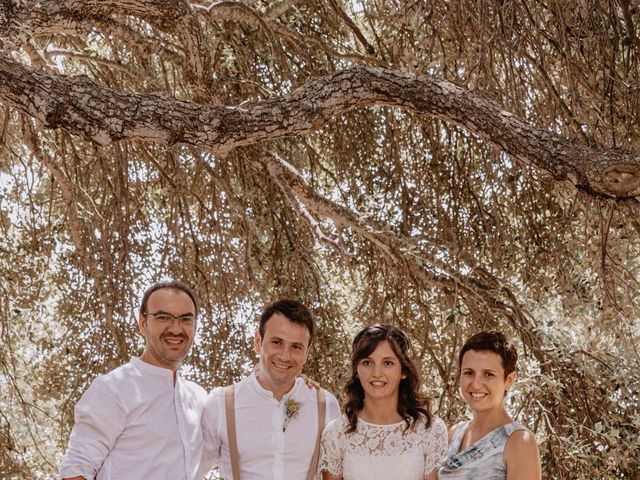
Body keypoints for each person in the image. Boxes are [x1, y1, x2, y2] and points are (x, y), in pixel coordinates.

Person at [58, 280, 207, 480]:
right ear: (143, 323)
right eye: (163, 317)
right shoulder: (113, 389)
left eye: (186, 319)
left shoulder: (199, 398)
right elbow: (76, 470)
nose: (176, 328)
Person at [197, 299, 341, 480]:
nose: (285, 356)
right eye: (277, 342)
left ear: (307, 353)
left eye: (296, 347)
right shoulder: (220, 404)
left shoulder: (326, 405)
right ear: (258, 341)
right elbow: (192, 471)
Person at [320, 324, 448, 480]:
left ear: (404, 371)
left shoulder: (430, 430)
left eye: (388, 363)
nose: (376, 373)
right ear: (356, 370)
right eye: (367, 362)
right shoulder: (336, 433)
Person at [439, 331, 541, 480]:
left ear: (509, 380)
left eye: (488, 374)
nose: (476, 384)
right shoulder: (454, 433)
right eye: (469, 373)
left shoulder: (519, 442)